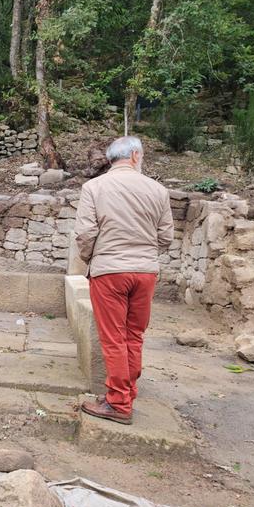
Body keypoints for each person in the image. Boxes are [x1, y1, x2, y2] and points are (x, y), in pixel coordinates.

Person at [74, 136, 173, 425]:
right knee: (134, 335)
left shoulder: (94, 187)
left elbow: (85, 233)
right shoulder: (158, 190)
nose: (141, 159)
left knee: (113, 338)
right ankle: (127, 394)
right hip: (145, 273)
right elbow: (166, 237)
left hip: (109, 272)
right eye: (141, 155)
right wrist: (144, 251)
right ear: (133, 155)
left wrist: (93, 257)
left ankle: (118, 403)